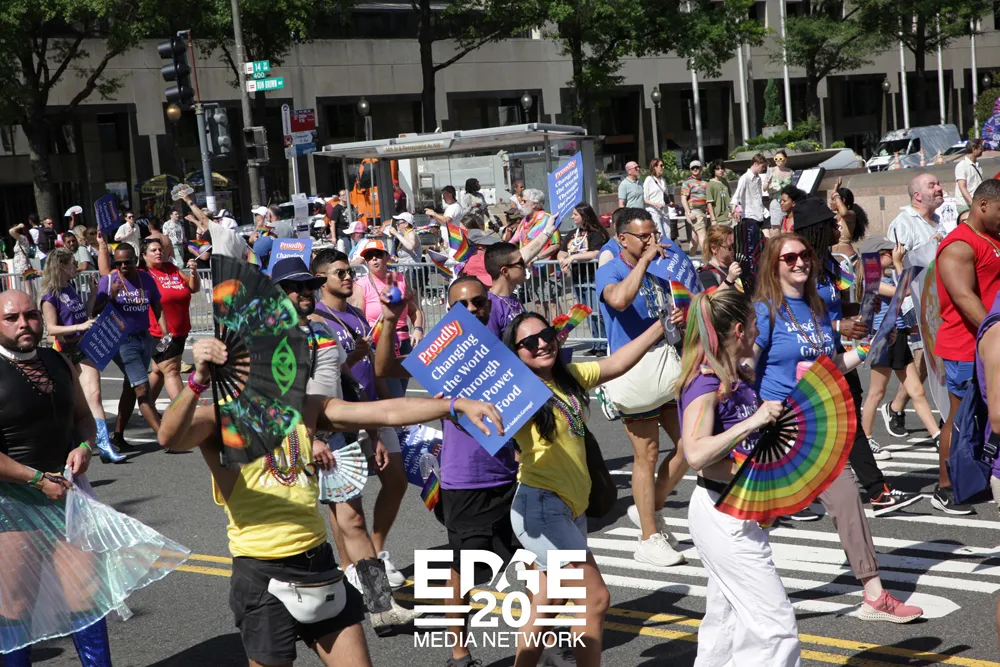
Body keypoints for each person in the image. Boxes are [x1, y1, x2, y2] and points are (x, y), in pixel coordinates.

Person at [158, 257, 505, 666]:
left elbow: (383, 411)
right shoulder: (222, 418)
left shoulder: (306, 407)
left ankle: (379, 602)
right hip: (261, 573)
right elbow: (170, 437)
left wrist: (453, 405)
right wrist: (197, 380)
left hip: (318, 563)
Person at [753, 232, 923, 622]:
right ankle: (738, 596)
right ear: (773, 266)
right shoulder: (764, 311)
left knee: (846, 499)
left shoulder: (816, 308)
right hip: (777, 428)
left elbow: (831, 364)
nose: (800, 262)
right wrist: (754, 406)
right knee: (753, 518)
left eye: (804, 255)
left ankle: (874, 595)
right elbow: (746, 364)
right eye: (789, 258)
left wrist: (867, 347)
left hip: (815, 424)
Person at [503, 310, 666, 667]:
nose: (542, 344)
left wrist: (660, 326)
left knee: (546, 602)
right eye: (529, 342)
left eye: (546, 335)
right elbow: (482, 421)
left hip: (570, 509)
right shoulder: (515, 393)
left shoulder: (568, 378)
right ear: (515, 354)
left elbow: (617, 363)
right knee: (595, 599)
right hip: (542, 509)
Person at [372, 276, 521, 667]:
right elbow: (384, 367)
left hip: (516, 475)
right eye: (462, 305)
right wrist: (390, 320)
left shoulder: (510, 342)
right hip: (466, 479)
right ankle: (460, 653)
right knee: (464, 572)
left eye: (479, 302)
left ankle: (545, 644)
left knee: (538, 565)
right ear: (450, 309)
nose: (472, 310)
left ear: (489, 304)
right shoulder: (442, 351)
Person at [677, 289, 799, 665]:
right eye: (755, 324)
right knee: (775, 628)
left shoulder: (736, 374)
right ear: (739, 330)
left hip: (738, 508)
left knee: (726, 622)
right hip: (722, 514)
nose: (759, 332)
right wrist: (753, 421)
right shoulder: (705, 383)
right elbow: (696, 453)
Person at [0, 289, 115, 667]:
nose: (24, 324)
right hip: (12, 504)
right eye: (11, 318)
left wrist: (84, 446)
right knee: (16, 606)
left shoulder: (56, 360)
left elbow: (82, 416)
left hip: (66, 494)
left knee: (87, 595)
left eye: (31, 315)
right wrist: (35, 480)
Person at [792, 198, 919, 517]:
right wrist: (838, 325)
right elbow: (793, 316)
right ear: (815, 229)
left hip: (834, 352)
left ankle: (875, 491)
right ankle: (875, 491)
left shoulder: (828, 262)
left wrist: (860, 309)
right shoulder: (798, 265)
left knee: (842, 424)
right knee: (817, 428)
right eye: (831, 223)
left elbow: (833, 305)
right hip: (808, 360)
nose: (839, 226)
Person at [310, 250, 416, 621]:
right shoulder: (313, 320)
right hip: (334, 423)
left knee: (395, 481)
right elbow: (327, 376)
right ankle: (353, 571)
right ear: (321, 279)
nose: (348, 277)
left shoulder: (355, 315)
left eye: (349, 272)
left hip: (368, 410)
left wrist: (384, 416)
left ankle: (374, 559)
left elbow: (371, 370)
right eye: (339, 272)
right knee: (346, 512)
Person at [595, 207, 688, 566]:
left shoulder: (659, 267)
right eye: (643, 236)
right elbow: (619, 300)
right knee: (646, 455)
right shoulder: (612, 267)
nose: (652, 240)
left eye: (654, 234)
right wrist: (646, 261)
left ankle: (650, 507)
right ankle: (649, 537)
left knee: (689, 445)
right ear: (623, 239)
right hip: (633, 373)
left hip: (666, 366)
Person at [933, 178, 1000, 514]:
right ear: (983, 205)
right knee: (961, 417)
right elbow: (964, 297)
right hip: (965, 346)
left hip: (989, 344)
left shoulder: (991, 238)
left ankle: (979, 475)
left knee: (988, 415)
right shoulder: (958, 245)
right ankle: (946, 487)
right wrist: (995, 333)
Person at [859, 237, 941, 461]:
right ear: (877, 257)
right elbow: (903, 292)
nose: (895, 253)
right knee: (876, 393)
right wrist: (898, 263)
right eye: (889, 252)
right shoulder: (872, 280)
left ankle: (937, 436)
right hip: (883, 339)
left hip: (900, 337)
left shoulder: (885, 278)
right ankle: (867, 439)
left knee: (917, 391)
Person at [39, 248, 123, 464]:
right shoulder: (50, 296)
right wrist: (79, 326)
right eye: (72, 263)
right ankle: (68, 445)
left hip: (83, 346)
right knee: (69, 401)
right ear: (62, 266)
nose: (76, 267)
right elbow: (51, 329)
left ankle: (104, 446)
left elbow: (84, 315)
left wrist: (93, 294)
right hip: (63, 350)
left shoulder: (70, 288)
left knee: (94, 396)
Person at [881, 173, 946, 436]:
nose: (939, 188)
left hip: (940, 301)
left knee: (930, 360)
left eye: (938, 183)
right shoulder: (903, 223)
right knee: (929, 358)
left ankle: (897, 407)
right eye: (933, 185)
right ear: (917, 195)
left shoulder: (940, 220)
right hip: (914, 303)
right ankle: (944, 416)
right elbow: (889, 262)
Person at [94, 243, 167, 450]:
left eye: (127, 262)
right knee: (142, 389)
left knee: (130, 386)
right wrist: (110, 296)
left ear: (135, 260)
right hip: (121, 341)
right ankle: (166, 438)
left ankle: (118, 436)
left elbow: (157, 306)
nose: (123, 266)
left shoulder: (146, 279)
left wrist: (165, 333)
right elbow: (94, 310)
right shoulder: (109, 280)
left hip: (144, 338)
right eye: (118, 263)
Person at [351, 239, 424, 397]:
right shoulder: (361, 285)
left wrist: (418, 329)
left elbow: (415, 310)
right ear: (366, 261)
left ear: (387, 257)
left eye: (378, 254)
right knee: (394, 395)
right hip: (380, 345)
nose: (374, 258)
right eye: (369, 256)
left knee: (401, 392)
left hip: (404, 344)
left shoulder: (400, 279)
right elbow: (357, 321)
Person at [557, 202, 610, 355]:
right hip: (577, 278)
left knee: (597, 312)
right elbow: (562, 251)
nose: (572, 217)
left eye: (575, 214)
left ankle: (604, 343)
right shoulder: (571, 233)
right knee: (586, 311)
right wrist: (562, 260)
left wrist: (573, 257)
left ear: (584, 216)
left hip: (593, 277)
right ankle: (596, 344)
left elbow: (596, 253)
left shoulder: (597, 233)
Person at [829, 178, 870, 262]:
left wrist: (836, 195)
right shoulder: (834, 217)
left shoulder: (851, 214)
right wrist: (835, 188)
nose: (830, 202)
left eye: (833, 200)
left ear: (842, 200)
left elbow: (844, 213)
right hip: (834, 259)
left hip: (848, 260)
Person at [697, 225, 741, 292]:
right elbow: (712, 297)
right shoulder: (706, 274)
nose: (734, 250)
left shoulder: (740, 263)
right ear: (714, 248)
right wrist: (729, 280)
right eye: (729, 247)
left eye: (735, 245)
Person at [731, 154, 768, 232]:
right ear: (756, 164)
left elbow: (758, 197)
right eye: (762, 166)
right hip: (749, 216)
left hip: (761, 214)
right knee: (752, 239)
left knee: (766, 236)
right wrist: (733, 209)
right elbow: (737, 194)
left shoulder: (758, 178)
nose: (764, 169)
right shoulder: (744, 178)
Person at [681, 160, 709, 253]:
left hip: (703, 212)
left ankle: (691, 257)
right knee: (702, 234)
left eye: (697, 167)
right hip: (694, 211)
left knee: (695, 236)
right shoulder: (687, 182)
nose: (695, 169)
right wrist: (689, 212)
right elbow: (683, 198)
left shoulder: (706, 182)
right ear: (690, 170)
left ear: (701, 169)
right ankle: (708, 258)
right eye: (693, 168)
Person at [643, 158, 671, 240]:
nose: (663, 167)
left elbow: (665, 195)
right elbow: (644, 199)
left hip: (664, 211)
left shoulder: (663, 180)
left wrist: (669, 202)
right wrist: (656, 204)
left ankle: (669, 248)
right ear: (654, 167)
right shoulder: (649, 180)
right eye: (661, 166)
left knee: (668, 233)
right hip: (654, 211)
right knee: (660, 234)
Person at [767, 150, 794, 231]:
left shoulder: (790, 172)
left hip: (787, 203)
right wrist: (771, 186)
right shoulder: (771, 170)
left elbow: (792, 188)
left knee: (786, 228)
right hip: (775, 202)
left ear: (785, 160)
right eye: (776, 159)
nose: (778, 160)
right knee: (775, 229)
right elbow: (765, 188)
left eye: (780, 158)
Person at [956, 138, 985, 211]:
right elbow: (962, 187)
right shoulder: (962, 165)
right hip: (965, 205)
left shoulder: (978, 165)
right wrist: (971, 202)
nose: (982, 150)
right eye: (980, 148)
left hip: (977, 203)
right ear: (974, 149)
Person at [706, 160, 731, 226]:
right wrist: (713, 219)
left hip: (729, 217)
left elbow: (729, 198)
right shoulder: (710, 184)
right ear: (713, 170)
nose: (721, 170)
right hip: (718, 219)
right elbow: (709, 203)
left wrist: (731, 211)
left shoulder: (725, 181)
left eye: (722, 168)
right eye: (717, 169)